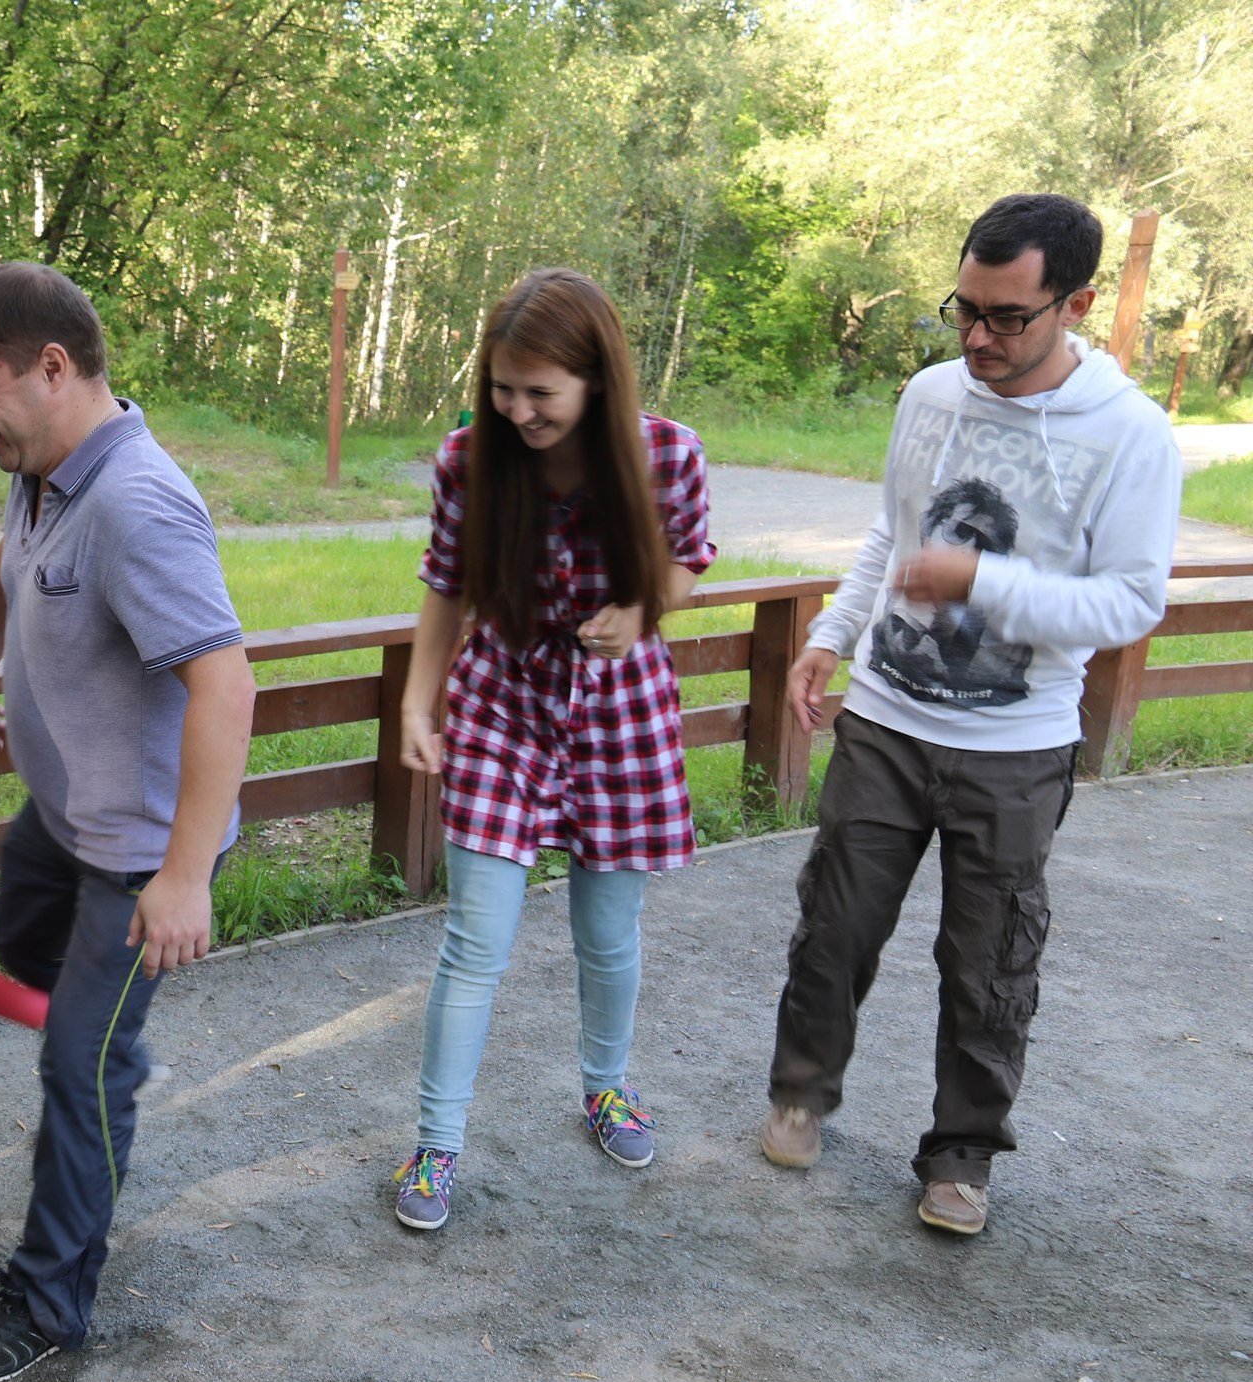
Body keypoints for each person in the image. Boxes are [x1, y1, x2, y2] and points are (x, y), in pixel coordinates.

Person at [761, 193, 1181, 1235]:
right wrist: (830, 637)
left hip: (1015, 746)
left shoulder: (1130, 436)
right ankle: (801, 1095)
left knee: (988, 960)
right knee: (834, 927)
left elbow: (1132, 599)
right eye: (965, 309)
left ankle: (961, 1159)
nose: (979, 337)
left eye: (1008, 317)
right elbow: (887, 532)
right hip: (886, 723)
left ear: (1073, 304)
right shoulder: (929, 396)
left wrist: (981, 583)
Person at [0, 262, 256, 1382]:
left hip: (137, 854)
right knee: (24, 958)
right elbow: (2, 572)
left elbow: (226, 683)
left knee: (78, 1065)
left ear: (52, 368)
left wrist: (186, 875)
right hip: (62, 820)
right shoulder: (46, 470)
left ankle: (47, 1302)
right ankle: (104, 1058)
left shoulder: (135, 502)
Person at [390, 267, 714, 1233]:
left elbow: (691, 557)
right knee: (473, 942)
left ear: (597, 382)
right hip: (502, 706)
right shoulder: (468, 460)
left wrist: (642, 606)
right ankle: (436, 1145)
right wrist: (419, 701)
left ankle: (606, 1089)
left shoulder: (667, 455)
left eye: (541, 393)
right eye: (503, 387)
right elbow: (446, 586)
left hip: (622, 713)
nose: (517, 410)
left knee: (607, 935)